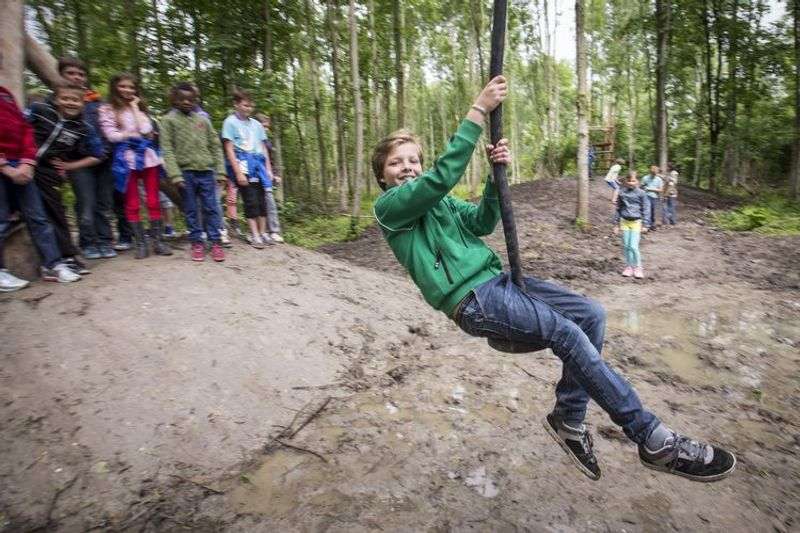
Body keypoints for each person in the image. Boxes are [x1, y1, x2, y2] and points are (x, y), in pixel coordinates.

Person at [372, 76, 735, 483]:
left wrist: (495, 177)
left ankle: (568, 418)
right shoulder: (390, 208)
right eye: (396, 163)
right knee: (566, 334)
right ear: (383, 177)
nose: (407, 167)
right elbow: (439, 179)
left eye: (413, 160)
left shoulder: (442, 203)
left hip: (499, 283)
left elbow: (483, 222)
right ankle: (653, 439)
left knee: (591, 315)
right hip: (472, 299)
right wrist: (478, 111)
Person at [0, 86, 80, 288]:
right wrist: (4, 166)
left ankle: (52, 264)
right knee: (1, 221)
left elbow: (25, 128)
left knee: (38, 217)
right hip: (4, 164)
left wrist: (27, 161)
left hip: (22, 163)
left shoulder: (5, 94)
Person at [27, 83, 105, 276]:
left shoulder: (84, 128)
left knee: (56, 213)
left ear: (83, 103)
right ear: (56, 99)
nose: (70, 103)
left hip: (48, 171)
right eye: (65, 98)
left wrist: (70, 166)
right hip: (23, 164)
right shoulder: (39, 110)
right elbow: (16, 126)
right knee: (24, 213)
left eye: (75, 100)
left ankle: (67, 257)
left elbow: (98, 154)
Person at [99, 73, 172, 259]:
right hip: (126, 159)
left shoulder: (139, 107)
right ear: (115, 87)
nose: (127, 90)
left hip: (147, 157)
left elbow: (146, 130)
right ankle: (140, 244)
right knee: (132, 203)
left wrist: (134, 108)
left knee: (154, 200)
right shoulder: (107, 109)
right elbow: (111, 135)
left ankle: (158, 241)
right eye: (123, 86)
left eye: (131, 87)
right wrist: (129, 136)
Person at [57, 56, 120, 258]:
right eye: (71, 73)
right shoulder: (58, 101)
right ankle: (88, 242)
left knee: (104, 203)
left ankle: (105, 241)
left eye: (81, 74)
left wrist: (108, 152)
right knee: (86, 202)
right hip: (77, 161)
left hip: (104, 160)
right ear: (61, 75)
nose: (76, 77)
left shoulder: (97, 103)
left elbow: (109, 129)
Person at [160, 83, 226, 262]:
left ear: (195, 100)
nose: (186, 102)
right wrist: (175, 175)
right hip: (185, 173)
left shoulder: (203, 120)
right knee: (191, 209)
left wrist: (221, 171)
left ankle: (215, 241)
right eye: (182, 99)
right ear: (174, 99)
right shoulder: (168, 120)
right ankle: (197, 242)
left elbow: (215, 146)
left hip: (206, 171)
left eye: (190, 99)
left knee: (211, 208)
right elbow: (167, 149)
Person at [221, 89, 273, 248]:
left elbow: (263, 148)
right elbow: (229, 148)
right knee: (250, 200)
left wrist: (268, 169)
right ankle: (254, 234)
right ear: (236, 104)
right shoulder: (230, 122)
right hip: (242, 163)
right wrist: (238, 172)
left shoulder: (257, 124)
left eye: (251, 106)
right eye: (245, 105)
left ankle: (263, 233)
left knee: (262, 201)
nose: (248, 108)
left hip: (258, 164)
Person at [255, 113, 284, 243]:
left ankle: (274, 231)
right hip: (253, 176)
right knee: (255, 203)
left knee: (270, 202)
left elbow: (270, 160)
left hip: (266, 176)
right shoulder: (250, 140)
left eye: (267, 127)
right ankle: (259, 232)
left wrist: (275, 174)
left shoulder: (267, 143)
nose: (266, 129)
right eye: (264, 126)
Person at [613, 172, 647, 279]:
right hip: (624, 222)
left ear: (637, 181)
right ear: (626, 181)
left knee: (633, 246)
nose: (631, 183)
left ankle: (638, 267)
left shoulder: (641, 193)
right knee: (626, 246)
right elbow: (618, 209)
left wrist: (646, 224)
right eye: (629, 181)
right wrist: (616, 224)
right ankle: (629, 267)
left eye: (633, 181)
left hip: (636, 222)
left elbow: (646, 208)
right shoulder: (622, 193)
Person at [640, 165, 663, 231]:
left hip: (655, 197)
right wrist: (643, 188)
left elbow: (661, 190)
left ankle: (652, 224)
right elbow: (641, 186)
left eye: (655, 174)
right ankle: (646, 225)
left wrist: (650, 189)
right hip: (646, 196)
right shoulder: (645, 178)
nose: (654, 175)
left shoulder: (659, 179)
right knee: (647, 210)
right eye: (652, 173)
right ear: (650, 172)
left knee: (652, 211)